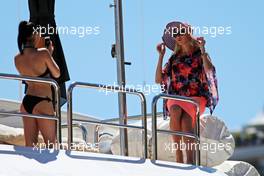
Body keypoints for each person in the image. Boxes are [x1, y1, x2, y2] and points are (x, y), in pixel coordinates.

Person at [155, 21, 219, 164]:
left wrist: (202, 49)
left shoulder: (200, 54)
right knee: (177, 110)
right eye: (174, 34)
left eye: (180, 33)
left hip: (196, 98)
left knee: (185, 121)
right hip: (177, 98)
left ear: (189, 34)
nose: (177, 36)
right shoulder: (173, 58)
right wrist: (160, 56)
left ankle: (189, 161)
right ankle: (179, 155)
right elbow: (158, 79)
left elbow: (209, 71)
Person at [14, 21, 60, 147]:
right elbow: (56, 73)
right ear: (34, 35)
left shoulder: (17, 58)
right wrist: (49, 54)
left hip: (27, 101)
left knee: (30, 146)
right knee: (52, 146)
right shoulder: (44, 53)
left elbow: (30, 77)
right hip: (43, 101)